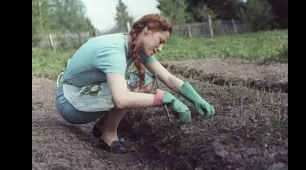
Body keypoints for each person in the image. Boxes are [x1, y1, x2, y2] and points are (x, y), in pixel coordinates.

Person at [55, 14, 215, 154]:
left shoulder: (135, 45)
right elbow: (121, 99)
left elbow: (168, 77)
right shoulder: (113, 50)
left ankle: (104, 126)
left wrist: (197, 99)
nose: (160, 48)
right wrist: (165, 98)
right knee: (130, 89)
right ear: (148, 30)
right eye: (160, 41)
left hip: (85, 90)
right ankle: (108, 134)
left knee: (144, 81)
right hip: (70, 102)